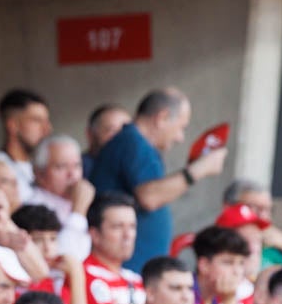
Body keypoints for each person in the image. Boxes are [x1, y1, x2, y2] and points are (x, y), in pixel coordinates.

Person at [90, 88, 226, 270]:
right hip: (128, 268)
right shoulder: (133, 143)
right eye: (181, 127)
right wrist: (199, 169)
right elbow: (150, 197)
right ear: (162, 118)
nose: (180, 137)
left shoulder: (138, 144)